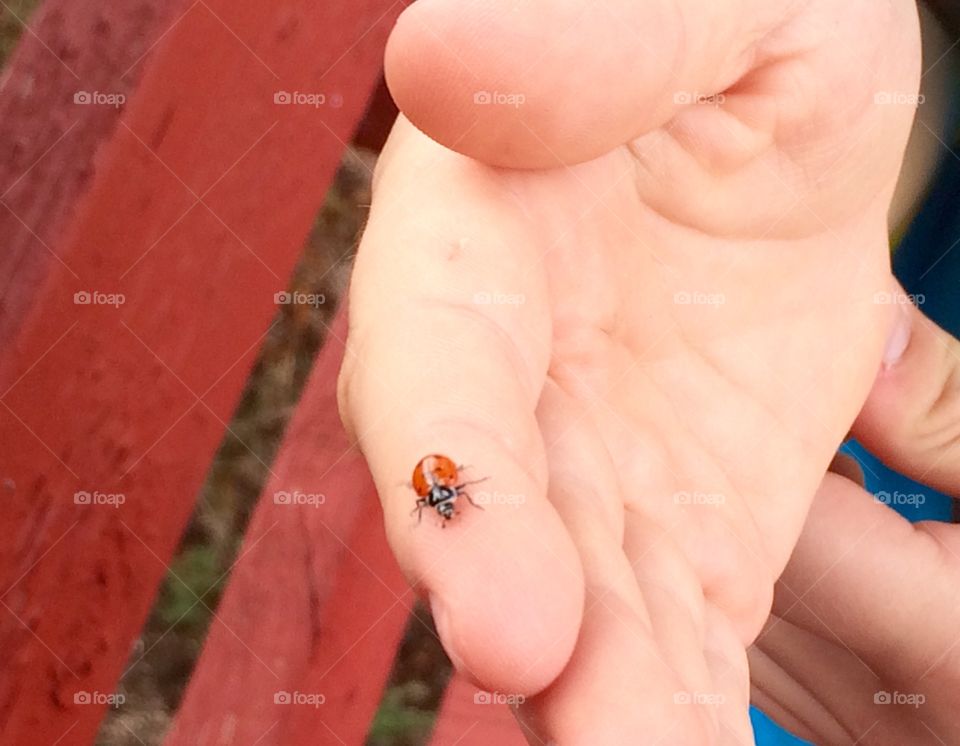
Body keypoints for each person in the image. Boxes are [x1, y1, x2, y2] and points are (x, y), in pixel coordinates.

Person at [337, 0, 960, 742]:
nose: (445, 496)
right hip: (771, 426)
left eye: (442, 497)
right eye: (444, 499)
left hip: (770, 564)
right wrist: (798, 119)